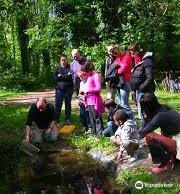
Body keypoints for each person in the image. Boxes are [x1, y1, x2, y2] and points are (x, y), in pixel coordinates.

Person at [138, 93, 180, 173]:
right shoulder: (165, 108)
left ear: (147, 107)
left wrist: (145, 119)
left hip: (178, 144)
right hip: (177, 141)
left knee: (149, 137)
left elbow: (142, 133)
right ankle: (173, 157)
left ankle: (166, 164)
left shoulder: (159, 116)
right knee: (163, 133)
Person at [130, 45, 155, 119]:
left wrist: (141, 88)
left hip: (144, 91)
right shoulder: (141, 61)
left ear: (139, 52)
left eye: (134, 53)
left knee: (144, 115)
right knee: (141, 114)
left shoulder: (147, 61)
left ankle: (146, 129)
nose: (132, 55)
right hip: (139, 91)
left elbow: (150, 77)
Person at [80, 61, 105, 135]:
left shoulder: (95, 76)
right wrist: (85, 93)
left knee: (96, 117)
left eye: (85, 71)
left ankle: (100, 134)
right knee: (91, 118)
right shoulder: (90, 76)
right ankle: (94, 133)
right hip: (89, 100)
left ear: (89, 70)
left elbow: (98, 89)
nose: (84, 73)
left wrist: (88, 91)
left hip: (95, 100)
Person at [110, 46, 132, 112]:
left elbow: (122, 69)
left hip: (125, 81)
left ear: (119, 51)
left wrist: (114, 72)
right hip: (118, 81)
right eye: (113, 54)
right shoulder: (118, 58)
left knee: (124, 103)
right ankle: (123, 119)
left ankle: (130, 119)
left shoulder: (127, 57)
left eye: (115, 53)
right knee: (120, 103)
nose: (114, 55)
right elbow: (112, 67)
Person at [54, 54, 74, 126]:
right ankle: (56, 120)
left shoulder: (70, 67)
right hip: (59, 90)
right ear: (60, 61)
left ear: (67, 60)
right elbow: (55, 78)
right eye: (62, 60)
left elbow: (70, 76)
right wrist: (66, 76)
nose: (63, 61)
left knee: (68, 105)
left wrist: (61, 76)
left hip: (69, 89)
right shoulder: (57, 68)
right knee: (58, 105)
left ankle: (67, 119)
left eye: (64, 60)